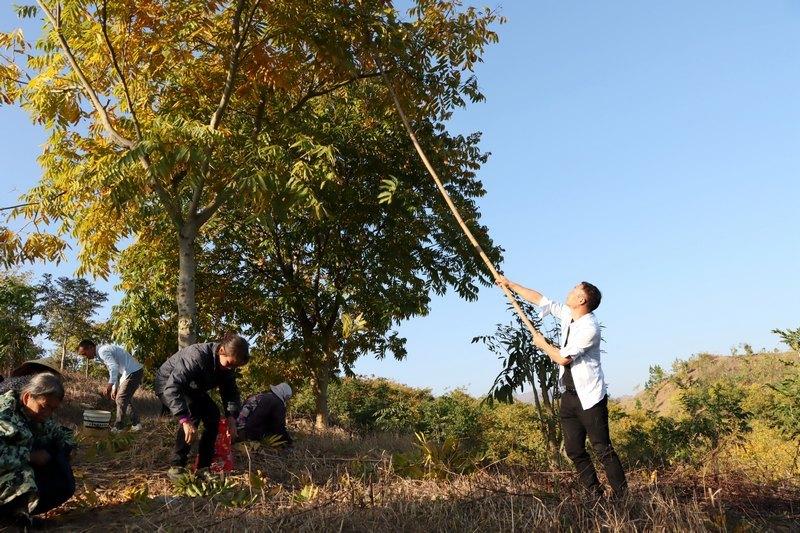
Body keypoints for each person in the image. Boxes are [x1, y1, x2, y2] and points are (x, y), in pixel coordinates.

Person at [497, 277, 627, 498]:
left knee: (602, 448)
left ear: (582, 299)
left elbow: (563, 359)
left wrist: (543, 345)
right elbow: (540, 300)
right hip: (568, 396)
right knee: (574, 450)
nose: (569, 291)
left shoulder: (590, 328)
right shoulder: (569, 314)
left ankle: (622, 495)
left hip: (590, 398)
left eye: (574, 290)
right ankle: (594, 493)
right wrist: (510, 285)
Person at [154, 333, 250, 480]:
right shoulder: (196, 357)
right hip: (168, 384)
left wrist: (231, 417)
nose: (231, 368)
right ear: (221, 350)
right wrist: (184, 420)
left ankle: (203, 467)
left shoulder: (228, 368)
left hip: (192, 389)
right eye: (230, 364)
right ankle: (177, 466)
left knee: (213, 415)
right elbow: (173, 387)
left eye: (235, 366)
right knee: (193, 413)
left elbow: (230, 393)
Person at [0, 373, 76, 527]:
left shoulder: (40, 414)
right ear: (28, 396)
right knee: (23, 479)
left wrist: (69, 446)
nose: (48, 413)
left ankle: (17, 516)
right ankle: (9, 516)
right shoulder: (3, 413)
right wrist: (29, 456)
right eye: (45, 407)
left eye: (53, 409)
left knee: (63, 480)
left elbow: (62, 433)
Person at [77, 339, 144, 432]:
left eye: (85, 353)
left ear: (91, 347)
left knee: (121, 398)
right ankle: (136, 424)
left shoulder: (102, 351)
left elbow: (114, 367)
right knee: (123, 398)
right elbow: (112, 369)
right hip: (130, 372)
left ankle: (118, 427)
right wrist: (114, 387)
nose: (85, 357)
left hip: (133, 372)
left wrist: (109, 386)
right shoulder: (101, 354)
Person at [236, 383, 293, 447]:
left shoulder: (262, 396)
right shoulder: (277, 402)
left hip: (238, 429)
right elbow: (279, 426)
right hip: (247, 433)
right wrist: (288, 441)